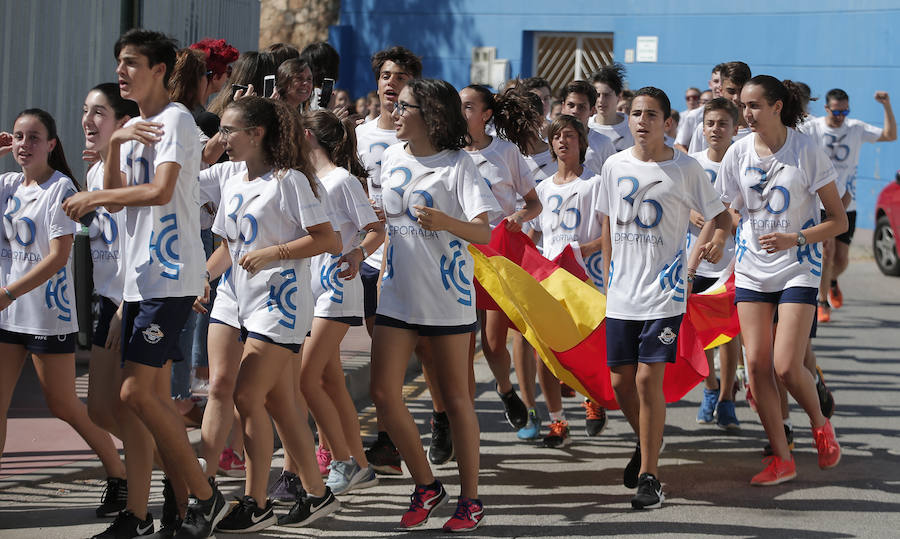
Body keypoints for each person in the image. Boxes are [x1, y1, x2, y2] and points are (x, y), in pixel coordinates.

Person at [62, 29, 226, 538]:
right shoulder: (134, 125)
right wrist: (113, 143)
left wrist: (91, 201)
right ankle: (179, 504)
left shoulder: (175, 119)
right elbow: (110, 198)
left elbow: (159, 191)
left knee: (135, 394)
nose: (121, 71)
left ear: (160, 69)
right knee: (144, 402)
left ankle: (203, 493)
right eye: (119, 62)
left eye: (131, 62)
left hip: (171, 276)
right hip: (137, 282)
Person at [201, 97, 342, 533]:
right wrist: (201, 280)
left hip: (279, 305)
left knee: (247, 398)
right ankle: (318, 494)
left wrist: (274, 253)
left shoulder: (290, 181)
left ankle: (256, 501)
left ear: (256, 133)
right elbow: (228, 246)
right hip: (239, 301)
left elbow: (328, 240)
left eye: (229, 131)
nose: (221, 139)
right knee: (281, 404)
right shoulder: (236, 181)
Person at [370, 78, 499, 532]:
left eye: (405, 107)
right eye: (396, 106)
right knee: (384, 395)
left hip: (447, 297)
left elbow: (483, 232)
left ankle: (471, 500)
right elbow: (388, 224)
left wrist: (447, 222)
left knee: (456, 399)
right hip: (398, 293)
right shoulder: (391, 156)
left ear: (431, 116)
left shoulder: (459, 164)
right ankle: (427, 485)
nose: (396, 113)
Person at [597, 87, 732, 509]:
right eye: (635, 113)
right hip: (621, 293)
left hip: (664, 294)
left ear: (667, 123)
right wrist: (606, 276)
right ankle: (648, 439)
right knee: (620, 382)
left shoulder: (685, 168)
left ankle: (651, 475)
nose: (640, 121)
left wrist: (718, 240)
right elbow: (607, 226)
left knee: (645, 380)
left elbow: (721, 215)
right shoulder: (614, 165)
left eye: (650, 115)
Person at [715, 75, 846, 487]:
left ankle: (821, 426)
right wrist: (717, 238)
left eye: (754, 105)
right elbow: (729, 211)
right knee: (755, 366)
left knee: (787, 366)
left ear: (776, 107)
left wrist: (797, 238)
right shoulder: (737, 153)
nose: (746, 113)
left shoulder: (806, 151)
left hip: (797, 266)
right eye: (743, 106)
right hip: (753, 267)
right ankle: (782, 457)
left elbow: (838, 220)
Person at [0, 108, 127, 520]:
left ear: (52, 144)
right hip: (7, 315)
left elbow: (58, 258)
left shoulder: (61, 190)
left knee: (65, 406)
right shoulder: (6, 186)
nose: (24, 145)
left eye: (34, 137)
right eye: (18, 137)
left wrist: (8, 292)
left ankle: (119, 474)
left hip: (45, 315)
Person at [297, 110, 384, 496]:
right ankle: (361, 466)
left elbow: (376, 229)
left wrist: (356, 256)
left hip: (336, 289)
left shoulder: (342, 180)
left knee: (306, 379)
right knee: (331, 383)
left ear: (308, 136)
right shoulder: (304, 181)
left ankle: (342, 459)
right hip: (308, 291)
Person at [355, 45, 422, 476]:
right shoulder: (360, 134)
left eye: (399, 77)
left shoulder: (417, 136)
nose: (391, 83)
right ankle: (387, 440)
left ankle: (429, 426)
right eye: (385, 75)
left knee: (412, 354)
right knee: (381, 351)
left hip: (410, 256)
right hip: (368, 256)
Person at [527, 114, 608, 448]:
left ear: (582, 142)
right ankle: (557, 419)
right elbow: (534, 235)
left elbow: (610, 233)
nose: (563, 141)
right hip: (551, 282)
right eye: (557, 136)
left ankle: (594, 400)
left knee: (589, 350)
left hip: (587, 280)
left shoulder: (596, 183)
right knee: (545, 353)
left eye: (570, 136)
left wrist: (578, 252)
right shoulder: (542, 188)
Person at [81, 84, 141, 517]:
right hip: (107, 299)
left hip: (134, 301)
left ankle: (173, 480)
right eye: (86, 111)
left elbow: (141, 242)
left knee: (134, 404)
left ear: (122, 124)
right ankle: (178, 466)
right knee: (100, 408)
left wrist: (126, 305)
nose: (88, 120)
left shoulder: (129, 176)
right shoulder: (92, 173)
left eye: (99, 113)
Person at [801, 88, 896, 323]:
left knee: (841, 260)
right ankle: (822, 301)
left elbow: (889, 135)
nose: (841, 116)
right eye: (836, 111)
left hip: (847, 203)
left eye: (845, 111)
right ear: (826, 109)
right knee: (826, 252)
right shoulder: (813, 128)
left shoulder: (855, 128)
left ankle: (831, 281)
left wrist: (886, 105)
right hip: (820, 201)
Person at [685, 97, 744, 430]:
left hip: (730, 261)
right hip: (693, 258)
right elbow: (677, 205)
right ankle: (709, 388)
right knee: (699, 330)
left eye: (723, 123)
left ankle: (726, 398)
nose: (716, 129)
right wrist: (690, 213)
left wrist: (724, 218)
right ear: (702, 128)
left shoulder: (741, 162)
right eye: (710, 123)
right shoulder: (690, 163)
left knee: (727, 334)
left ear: (735, 128)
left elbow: (741, 214)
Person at [687, 62, 752, 153]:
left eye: (741, 91)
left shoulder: (759, 129)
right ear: (721, 90)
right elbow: (694, 164)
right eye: (731, 91)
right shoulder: (704, 129)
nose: (737, 98)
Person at [560, 81, 616, 177]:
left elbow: (613, 179)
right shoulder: (551, 141)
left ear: (592, 111)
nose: (575, 111)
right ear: (563, 107)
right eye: (571, 105)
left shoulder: (603, 143)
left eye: (581, 107)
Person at [675, 63, 725, 153]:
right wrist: (694, 161)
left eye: (723, 81)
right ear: (710, 84)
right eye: (716, 81)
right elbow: (679, 144)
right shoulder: (694, 115)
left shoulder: (738, 113)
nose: (719, 85)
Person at [588, 63, 634, 150]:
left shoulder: (631, 127)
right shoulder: (586, 126)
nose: (601, 100)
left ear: (619, 97)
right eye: (597, 95)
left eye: (606, 95)